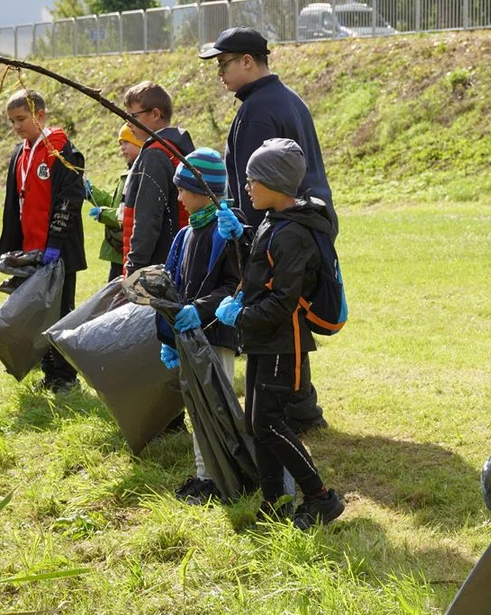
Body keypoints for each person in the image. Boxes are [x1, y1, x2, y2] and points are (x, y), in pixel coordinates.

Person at [201, 26, 333, 435]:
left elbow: (261, 186)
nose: (219, 73)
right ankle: (302, 407)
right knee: (289, 314)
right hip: (304, 225)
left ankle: (295, 410)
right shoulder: (285, 97)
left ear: (247, 61)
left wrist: (250, 242)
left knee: (276, 315)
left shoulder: (258, 110)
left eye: (223, 64)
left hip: (278, 231)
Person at [214, 138, 343, 530]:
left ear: (274, 183)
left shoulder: (292, 234)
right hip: (264, 340)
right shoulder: (275, 221)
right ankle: (275, 502)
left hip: (281, 344)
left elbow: (283, 301)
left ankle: (321, 498)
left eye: (253, 180)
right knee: (259, 423)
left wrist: (241, 317)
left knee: (269, 423)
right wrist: (241, 237)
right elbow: (261, 269)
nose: (247, 187)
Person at [156, 148, 246, 503]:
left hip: (217, 334)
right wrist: (167, 336)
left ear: (205, 191)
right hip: (189, 337)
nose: (178, 197)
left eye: (183, 190)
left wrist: (202, 309)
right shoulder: (186, 234)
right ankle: (204, 475)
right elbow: (173, 286)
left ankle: (224, 473)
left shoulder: (227, 229)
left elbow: (234, 284)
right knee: (197, 405)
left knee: (218, 405)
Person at [0, 89, 87, 393]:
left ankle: (65, 376)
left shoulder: (62, 151)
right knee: (37, 313)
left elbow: (70, 200)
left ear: (40, 115)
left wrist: (56, 243)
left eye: (21, 119)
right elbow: (14, 202)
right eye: (12, 121)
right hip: (29, 252)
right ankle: (47, 371)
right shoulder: (20, 153)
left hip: (57, 252)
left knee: (61, 312)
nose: (17, 126)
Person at [121, 81, 194, 276]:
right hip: (172, 259)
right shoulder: (174, 148)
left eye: (133, 116)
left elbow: (148, 218)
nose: (127, 123)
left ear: (155, 114)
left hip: (155, 267)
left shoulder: (155, 155)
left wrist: (134, 268)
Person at [85, 123, 142, 281]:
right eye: (120, 143)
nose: (122, 148)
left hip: (127, 252)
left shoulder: (139, 175)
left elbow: (131, 214)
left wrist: (104, 214)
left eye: (126, 142)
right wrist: (91, 194)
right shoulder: (128, 174)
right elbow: (116, 204)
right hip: (118, 252)